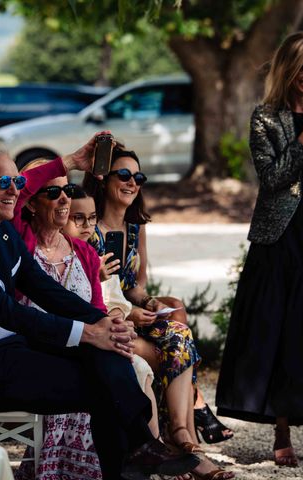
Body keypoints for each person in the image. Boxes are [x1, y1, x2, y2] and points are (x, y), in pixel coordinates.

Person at [0, 137, 200, 480]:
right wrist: (87, 332)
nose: (16, 190)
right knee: (101, 375)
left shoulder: (1, 233)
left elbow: (45, 289)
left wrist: (103, 322)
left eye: (18, 182)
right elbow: (5, 310)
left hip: (5, 353)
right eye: (5, 182)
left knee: (105, 356)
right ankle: (136, 453)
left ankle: (141, 447)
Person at [216, 31, 303, 467]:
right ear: (287, 69)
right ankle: (280, 429)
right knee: (283, 331)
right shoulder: (265, 118)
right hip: (283, 237)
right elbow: (272, 180)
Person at [83, 146, 234, 480]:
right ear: (104, 180)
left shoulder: (136, 228)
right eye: (123, 175)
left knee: (177, 329)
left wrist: (149, 303)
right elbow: (88, 292)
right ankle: (187, 441)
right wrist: (131, 312)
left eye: (138, 177)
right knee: (174, 349)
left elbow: (136, 285)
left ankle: (180, 435)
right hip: (105, 323)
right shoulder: (87, 229)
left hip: (133, 317)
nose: (132, 182)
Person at [13, 160, 158, 480]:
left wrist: (115, 325)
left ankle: (145, 452)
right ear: (33, 203)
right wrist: (70, 161)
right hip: (35, 342)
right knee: (104, 372)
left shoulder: (84, 251)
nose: (65, 198)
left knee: (128, 359)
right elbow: (16, 190)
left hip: (82, 340)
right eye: (53, 192)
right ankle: (136, 452)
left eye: (67, 189)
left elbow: (94, 306)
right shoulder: (20, 242)